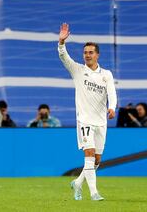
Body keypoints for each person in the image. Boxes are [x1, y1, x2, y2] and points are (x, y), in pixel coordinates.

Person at [58, 23, 117, 201]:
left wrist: (112, 107)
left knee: (97, 160)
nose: (87, 55)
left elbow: (112, 93)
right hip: (85, 120)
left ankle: (78, 182)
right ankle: (94, 193)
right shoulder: (77, 70)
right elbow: (64, 57)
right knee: (89, 155)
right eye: (85, 52)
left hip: (101, 122)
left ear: (97, 55)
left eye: (91, 52)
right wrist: (61, 42)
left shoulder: (106, 74)